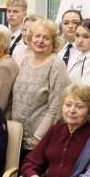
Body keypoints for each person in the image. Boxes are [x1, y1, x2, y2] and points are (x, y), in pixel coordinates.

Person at [11, 19, 70, 154]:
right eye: (37, 36)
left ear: (54, 42)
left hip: (39, 142)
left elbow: (56, 106)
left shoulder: (56, 65)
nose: (40, 41)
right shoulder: (25, 61)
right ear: (30, 38)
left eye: (46, 38)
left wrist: (39, 137)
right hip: (18, 138)